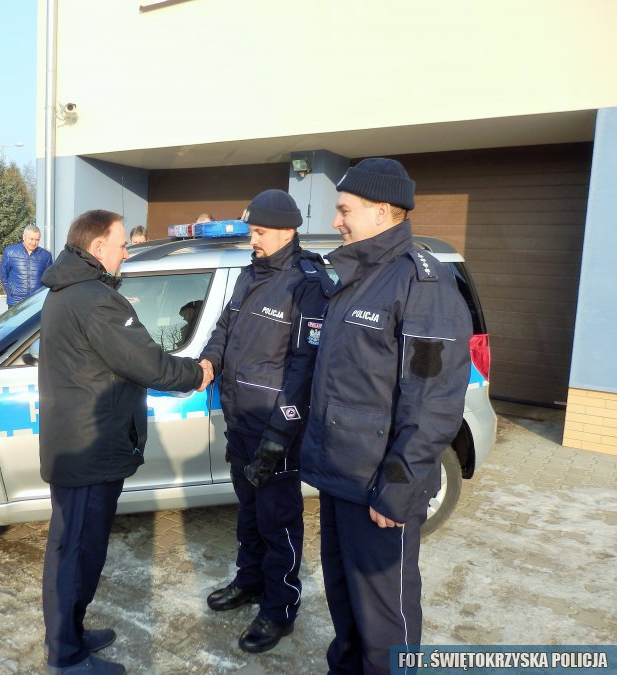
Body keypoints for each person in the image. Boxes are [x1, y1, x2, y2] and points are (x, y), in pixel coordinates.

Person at [300, 158, 472, 674]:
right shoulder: (357, 277)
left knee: (384, 621)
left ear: (381, 211)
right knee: (345, 603)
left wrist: (396, 488)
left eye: (344, 210)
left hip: (380, 488)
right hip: (342, 476)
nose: (336, 221)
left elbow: (433, 402)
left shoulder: (423, 286)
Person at [38, 209, 209, 674]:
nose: (126, 253)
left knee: (76, 549)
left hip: (81, 444)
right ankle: (66, 657)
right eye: (121, 245)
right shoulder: (96, 300)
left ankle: (70, 634)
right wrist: (196, 373)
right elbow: (148, 363)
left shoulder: (69, 291)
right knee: (76, 554)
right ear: (97, 248)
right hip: (89, 449)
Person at [198, 189, 334, 653]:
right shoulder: (249, 273)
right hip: (240, 420)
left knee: (278, 521)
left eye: (258, 232)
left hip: (277, 430)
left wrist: (279, 436)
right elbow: (224, 328)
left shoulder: (307, 283)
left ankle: (280, 608)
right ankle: (250, 581)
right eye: (251, 231)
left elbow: (304, 368)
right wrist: (209, 361)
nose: (251, 240)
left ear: (286, 231)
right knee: (249, 513)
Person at [0, 224, 53, 306]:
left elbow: (49, 278)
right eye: (31, 239)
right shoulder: (10, 252)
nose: (34, 243)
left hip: (37, 302)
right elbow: (4, 275)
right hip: (15, 302)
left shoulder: (46, 256)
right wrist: (10, 291)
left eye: (37, 240)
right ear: (24, 237)